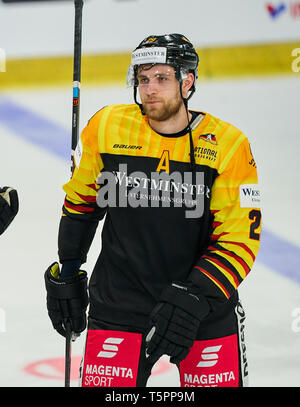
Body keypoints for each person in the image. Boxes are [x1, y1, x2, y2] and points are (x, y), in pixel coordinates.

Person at [45, 34, 261, 388]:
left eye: (161, 78)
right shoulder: (108, 127)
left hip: (203, 307)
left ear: (186, 81)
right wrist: (68, 268)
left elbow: (238, 240)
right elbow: (82, 202)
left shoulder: (227, 145)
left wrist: (194, 296)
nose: (149, 90)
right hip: (119, 303)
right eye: (143, 79)